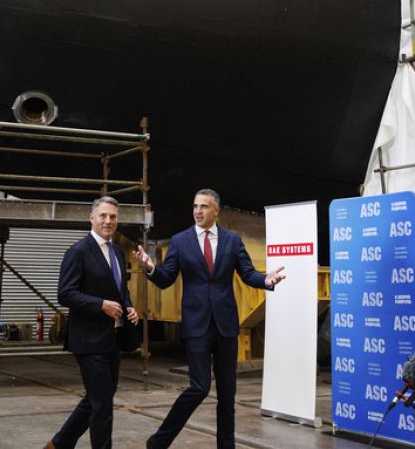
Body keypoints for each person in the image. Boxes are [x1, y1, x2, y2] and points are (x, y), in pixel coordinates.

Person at [132, 189, 286, 449]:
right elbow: (166, 278)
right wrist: (150, 267)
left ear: (217, 211)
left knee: (227, 396)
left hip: (226, 325)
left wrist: (266, 280)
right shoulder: (180, 241)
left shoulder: (232, 241)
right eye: (195, 206)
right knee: (200, 387)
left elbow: (248, 274)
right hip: (197, 326)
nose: (198, 211)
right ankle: (158, 442)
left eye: (204, 206)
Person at [47, 197, 140, 449]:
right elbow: (65, 293)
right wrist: (100, 304)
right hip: (88, 339)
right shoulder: (78, 251)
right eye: (103, 216)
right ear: (92, 219)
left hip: (112, 338)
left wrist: (128, 306)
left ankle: (59, 443)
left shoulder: (118, 253)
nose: (108, 221)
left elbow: (121, 290)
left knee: (99, 398)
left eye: (113, 217)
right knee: (102, 406)